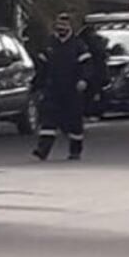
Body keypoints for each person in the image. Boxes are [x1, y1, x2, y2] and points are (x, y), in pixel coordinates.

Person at [33, 14, 92, 161]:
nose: (61, 29)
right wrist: (37, 85)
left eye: (64, 26)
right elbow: (41, 67)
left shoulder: (78, 45)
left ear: (70, 27)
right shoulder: (49, 43)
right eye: (59, 26)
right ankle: (42, 150)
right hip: (53, 88)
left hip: (72, 89)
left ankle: (75, 151)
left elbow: (87, 66)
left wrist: (83, 80)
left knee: (74, 122)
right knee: (48, 120)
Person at [78, 25, 108, 119]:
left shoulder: (84, 42)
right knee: (96, 92)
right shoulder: (99, 42)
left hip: (93, 71)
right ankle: (94, 112)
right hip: (98, 71)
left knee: (91, 92)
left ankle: (91, 112)